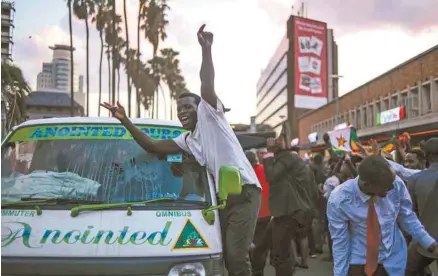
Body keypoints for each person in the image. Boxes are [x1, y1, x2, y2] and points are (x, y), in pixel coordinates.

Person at [101, 25, 261, 276]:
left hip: (246, 193)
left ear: (201, 109)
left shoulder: (212, 117)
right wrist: (124, 120)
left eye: (188, 106)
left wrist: (206, 50)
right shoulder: (187, 140)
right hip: (221, 199)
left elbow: (207, 84)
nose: (183, 111)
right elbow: (152, 146)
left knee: (236, 258)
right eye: (180, 109)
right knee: (227, 256)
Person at [327, 155, 438, 276]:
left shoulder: (395, 184)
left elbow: (407, 217)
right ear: (366, 184)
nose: (392, 188)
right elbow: (340, 242)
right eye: (386, 187)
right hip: (359, 260)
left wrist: (431, 244)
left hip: (394, 259)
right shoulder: (339, 200)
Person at [254, 134, 318, 275]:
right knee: (262, 248)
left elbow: (271, 176)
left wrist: (269, 152)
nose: (275, 141)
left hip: (288, 212)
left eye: (280, 139)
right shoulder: (291, 159)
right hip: (286, 211)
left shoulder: (288, 157)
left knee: (280, 255)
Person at [406, 138, 438, 275]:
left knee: (408, 270)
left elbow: (410, 214)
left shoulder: (415, 179)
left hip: (424, 242)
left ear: (426, 156)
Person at [246, 151, 271, 274]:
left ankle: (257, 270)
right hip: (268, 214)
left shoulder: (247, 173)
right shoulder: (266, 169)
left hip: (255, 215)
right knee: (264, 245)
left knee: (255, 246)